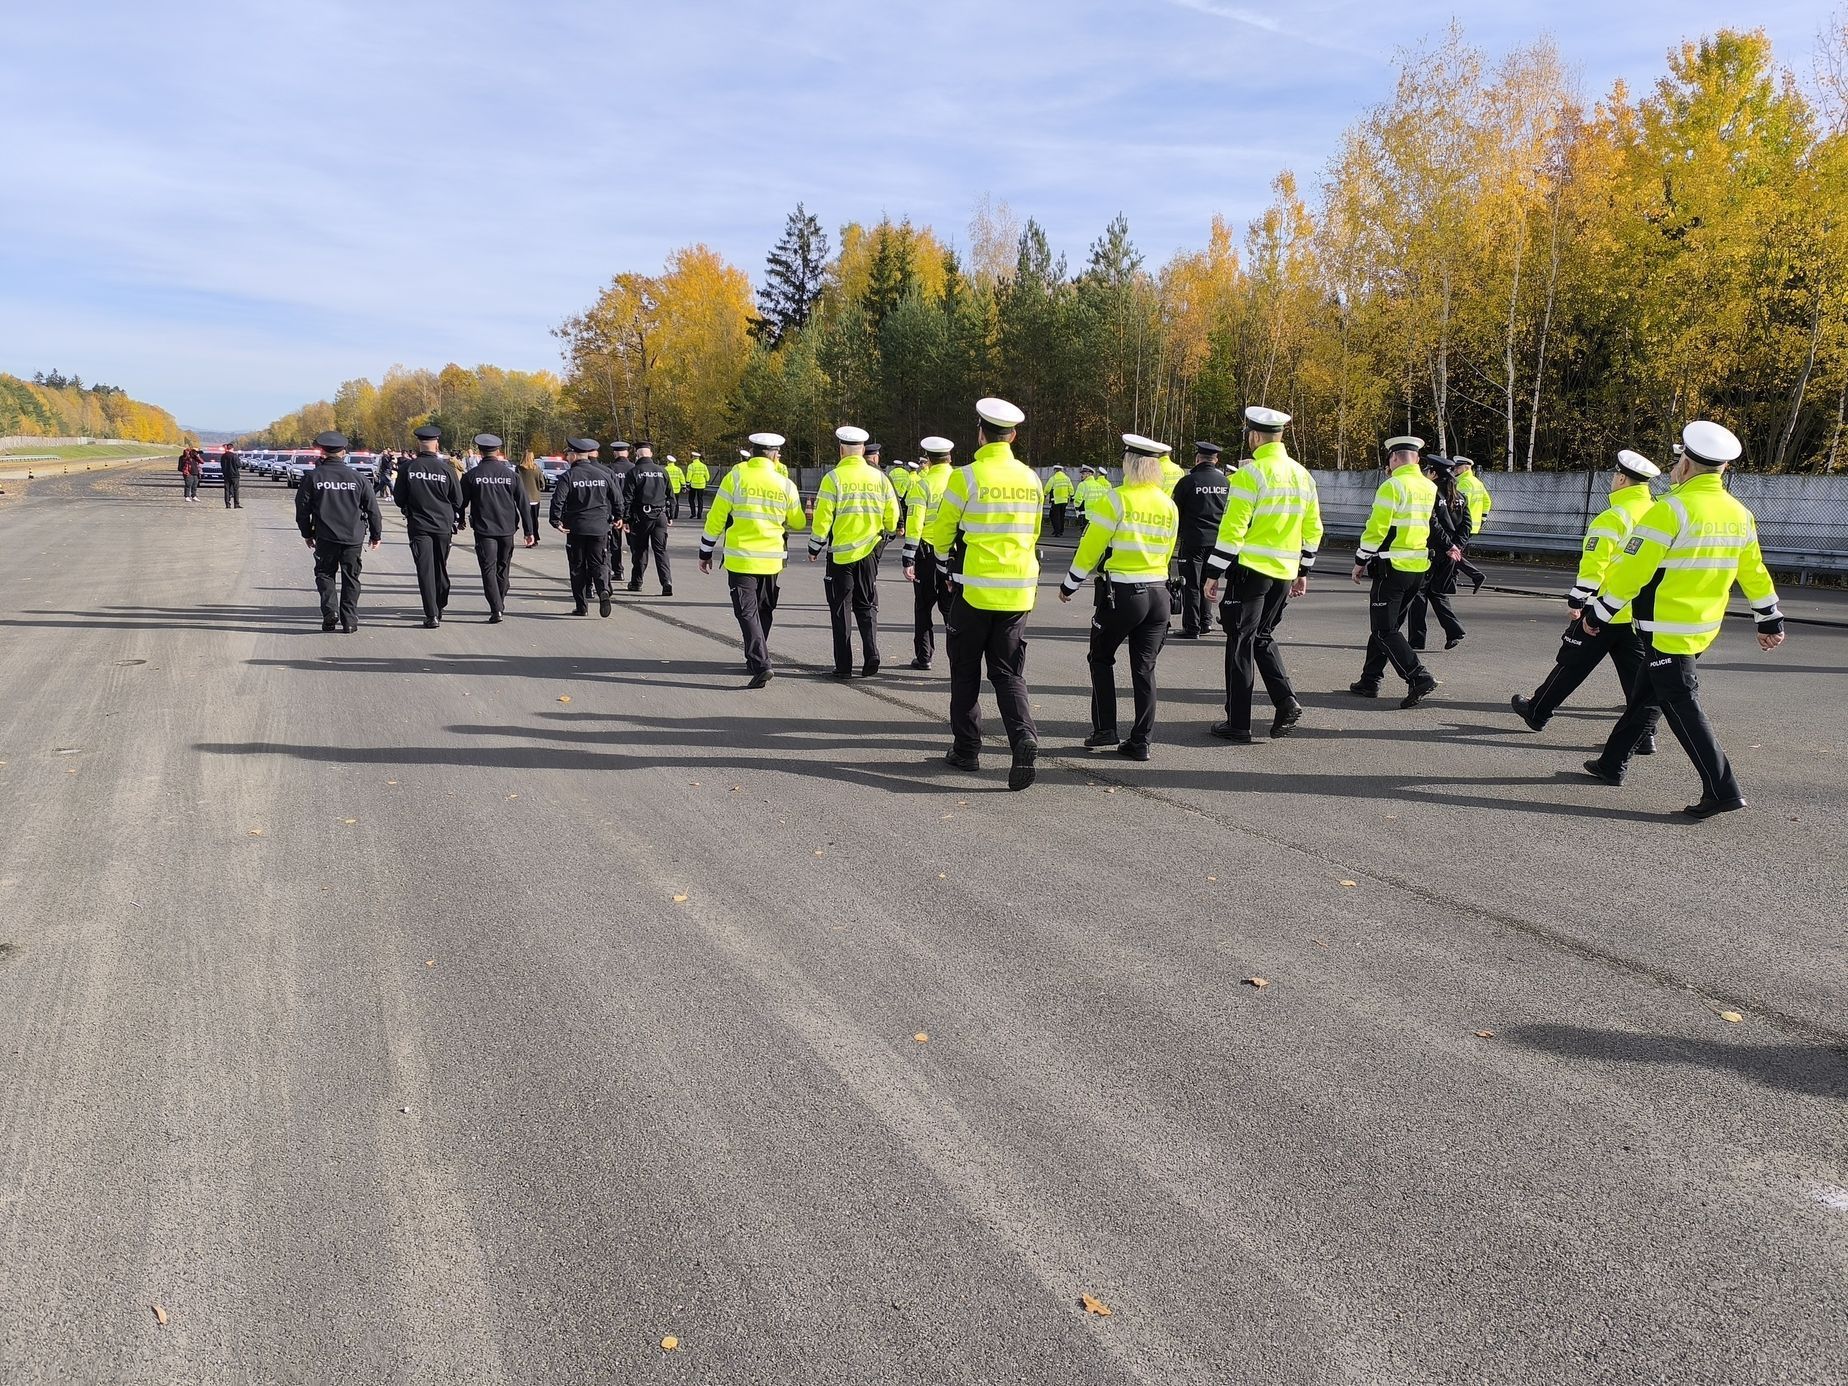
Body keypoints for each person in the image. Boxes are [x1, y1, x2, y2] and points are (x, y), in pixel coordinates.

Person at [1578, 421, 1786, 817]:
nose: (1674, 467)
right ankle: (1611, 764)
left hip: (1665, 628)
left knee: (1681, 704)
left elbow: (1631, 572)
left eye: (1677, 461)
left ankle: (1722, 790)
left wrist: (1599, 612)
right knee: (1646, 693)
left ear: (1687, 465)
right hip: (1701, 627)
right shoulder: (1739, 513)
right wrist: (1768, 617)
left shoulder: (1669, 510)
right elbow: (1753, 570)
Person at [923, 397, 1043, 791]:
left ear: (980, 432)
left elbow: (942, 532)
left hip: (974, 591)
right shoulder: (1031, 479)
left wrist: (943, 564)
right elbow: (1035, 532)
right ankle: (1023, 736)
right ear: (1013, 436)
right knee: (1009, 673)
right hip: (1019, 592)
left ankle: (967, 749)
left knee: (965, 671)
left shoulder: (967, 477)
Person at [1512, 449, 1663, 751]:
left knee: (1572, 663)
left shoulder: (1614, 516)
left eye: (1614, 476)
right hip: (1638, 612)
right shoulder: (1659, 513)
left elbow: (1595, 564)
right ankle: (1642, 735)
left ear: (1621, 478)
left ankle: (1538, 711)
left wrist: (1578, 599)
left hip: (1604, 609)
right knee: (1636, 674)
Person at [1204, 407, 1324, 740]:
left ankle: (1238, 722)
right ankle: (1286, 702)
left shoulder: (1250, 474)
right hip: (1284, 572)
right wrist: (1304, 568)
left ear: (1255, 436)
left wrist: (1214, 572)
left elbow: (1233, 530)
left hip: (1251, 572)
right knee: (1263, 637)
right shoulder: (1303, 475)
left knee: (1241, 644)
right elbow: (1314, 527)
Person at [1060, 434, 1180, 760]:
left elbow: (1091, 547)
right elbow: (1170, 551)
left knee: (1100, 657)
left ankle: (1105, 729)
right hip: (1159, 592)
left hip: (1124, 593)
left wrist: (1070, 584)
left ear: (1128, 464)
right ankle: (1141, 742)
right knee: (1144, 669)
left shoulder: (1117, 499)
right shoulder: (1168, 504)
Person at [699, 431, 807, 687]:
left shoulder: (735, 476)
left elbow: (716, 517)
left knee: (747, 612)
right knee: (764, 610)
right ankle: (756, 658)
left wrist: (706, 550)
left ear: (753, 451)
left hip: (741, 559)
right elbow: (799, 522)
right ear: (773, 455)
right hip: (772, 561)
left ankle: (760, 662)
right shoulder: (785, 484)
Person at [1349, 437, 1440, 707]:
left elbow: (1377, 527)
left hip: (1392, 566)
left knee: (1384, 629)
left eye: (1389, 459)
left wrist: (1360, 559)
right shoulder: (1428, 486)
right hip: (1418, 566)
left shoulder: (1392, 486)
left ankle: (1418, 676)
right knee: (1387, 627)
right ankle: (1369, 680)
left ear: (1395, 458)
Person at [808, 425, 900, 678]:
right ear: (862, 450)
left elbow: (823, 519)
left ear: (841, 450)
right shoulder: (880, 478)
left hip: (840, 557)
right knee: (867, 604)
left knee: (841, 609)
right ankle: (871, 653)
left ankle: (844, 666)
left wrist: (815, 546)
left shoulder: (833, 479)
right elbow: (892, 516)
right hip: (870, 552)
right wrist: (887, 532)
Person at [294, 430, 382, 633]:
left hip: (325, 536)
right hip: (353, 537)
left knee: (325, 574)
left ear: (322, 451)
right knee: (351, 577)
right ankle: (349, 620)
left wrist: (306, 533)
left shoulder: (313, 477)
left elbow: (302, 509)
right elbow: (373, 510)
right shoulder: (358, 478)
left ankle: (330, 613)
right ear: (344, 452)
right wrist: (376, 535)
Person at [391, 424, 464, 627]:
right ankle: (439, 605)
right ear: (437, 444)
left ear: (419, 444)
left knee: (425, 569)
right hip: (442, 526)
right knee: (440, 566)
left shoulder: (408, 468)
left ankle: (431, 613)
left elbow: (398, 498)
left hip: (418, 525)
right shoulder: (447, 470)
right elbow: (458, 500)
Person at [458, 433, 536, 623]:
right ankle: (499, 601)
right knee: (503, 567)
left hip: (484, 530)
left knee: (488, 568)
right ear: (498, 451)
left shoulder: (472, 476)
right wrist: (529, 531)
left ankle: (496, 607)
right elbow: (523, 504)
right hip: (507, 528)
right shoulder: (511, 475)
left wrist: (460, 520)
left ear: (479, 452)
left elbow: (460, 502)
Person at [902, 436, 957, 670]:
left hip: (926, 553)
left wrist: (908, 556)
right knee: (952, 610)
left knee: (923, 607)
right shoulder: (962, 481)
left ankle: (924, 657)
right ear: (950, 457)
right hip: (954, 554)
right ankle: (958, 659)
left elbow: (915, 522)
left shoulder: (922, 485)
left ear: (928, 461)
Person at [550, 437, 621, 616]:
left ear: (574, 455)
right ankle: (603, 589)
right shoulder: (603, 474)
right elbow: (617, 498)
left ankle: (582, 607)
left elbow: (558, 500)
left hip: (577, 528)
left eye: (568, 454)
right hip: (600, 527)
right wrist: (619, 517)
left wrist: (556, 521)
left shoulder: (569, 476)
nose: (567, 458)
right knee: (599, 562)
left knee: (577, 567)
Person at [1405, 455, 1469, 651]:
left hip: (1433, 550)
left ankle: (1417, 640)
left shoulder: (1431, 494)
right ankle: (1454, 630)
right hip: (1450, 554)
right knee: (1437, 592)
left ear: (1433, 472)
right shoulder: (1460, 497)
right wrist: (1457, 547)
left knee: (1418, 594)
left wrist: (1448, 546)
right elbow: (1467, 525)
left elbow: (1433, 524)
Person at [1171, 441, 1229, 639]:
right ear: (1216, 460)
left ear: (1197, 459)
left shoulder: (1188, 482)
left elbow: (1175, 513)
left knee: (1191, 584)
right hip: (1218, 543)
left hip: (1193, 540)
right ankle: (1206, 622)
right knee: (1209, 581)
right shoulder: (1226, 483)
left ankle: (1192, 627)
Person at [624, 443, 674, 594]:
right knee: (661, 550)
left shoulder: (634, 472)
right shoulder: (662, 471)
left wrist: (625, 518)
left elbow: (627, 498)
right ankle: (667, 582)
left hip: (642, 517)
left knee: (640, 550)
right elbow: (670, 495)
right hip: (661, 515)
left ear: (637, 456)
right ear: (651, 454)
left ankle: (636, 582)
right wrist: (670, 515)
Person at [1452, 456, 1490, 592]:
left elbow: (1459, 506)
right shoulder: (1476, 482)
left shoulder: (1464, 483)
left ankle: (1476, 575)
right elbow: (1487, 501)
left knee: (1453, 553)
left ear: (1466, 467)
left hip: (1461, 525)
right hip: (1472, 526)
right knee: (1456, 552)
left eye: (1457, 466)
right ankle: (1453, 581)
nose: (1454, 469)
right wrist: (1482, 520)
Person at [605, 440, 634, 587]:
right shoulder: (634, 469)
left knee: (614, 544)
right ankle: (637, 574)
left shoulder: (609, 470)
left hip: (614, 512)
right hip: (631, 513)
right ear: (627, 453)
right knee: (635, 545)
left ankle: (617, 571)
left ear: (615, 453)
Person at [515, 451, 545, 542]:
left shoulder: (519, 469)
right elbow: (542, 484)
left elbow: (516, 482)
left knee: (526, 518)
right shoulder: (537, 469)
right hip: (535, 497)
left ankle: (528, 535)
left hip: (523, 497)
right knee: (534, 518)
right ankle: (535, 536)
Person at [1045, 464, 1075, 537]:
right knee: (1062, 516)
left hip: (1056, 501)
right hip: (1064, 501)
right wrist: (1072, 496)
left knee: (1054, 516)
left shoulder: (1053, 478)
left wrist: (1044, 494)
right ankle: (1061, 530)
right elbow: (1071, 488)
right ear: (1061, 470)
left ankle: (1057, 531)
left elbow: (1047, 488)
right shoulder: (1067, 478)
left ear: (1055, 470)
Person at [685, 451, 710, 519]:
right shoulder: (704, 466)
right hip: (701, 485)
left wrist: (687, 483)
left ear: (693, 457)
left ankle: (693, 513)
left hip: (693, 485)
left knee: (691, 499)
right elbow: (707, 477)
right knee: (700, 500)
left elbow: (689, 476)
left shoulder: (691, 466)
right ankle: (699, 514)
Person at [220, 444, 243, 509]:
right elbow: (238, 465)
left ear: (227, 448)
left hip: (226, 475)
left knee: (227, 490)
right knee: (236, 490)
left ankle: (227, 504)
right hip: (235, 475)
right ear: (232, 448)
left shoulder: (223, 456)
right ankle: (236, 504)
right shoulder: (234, 456)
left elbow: (222, 465)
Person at [664, 455, 685, 519]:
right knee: (676, 502)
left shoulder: (665, 469)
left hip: (668, 489)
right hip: (676, 489)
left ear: (668, 461)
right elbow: (682, 478)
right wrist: (684, 486)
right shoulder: (678, 469)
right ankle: (675, 515)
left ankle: (669, 515)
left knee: (667, 502)